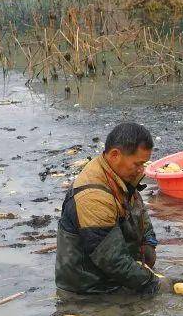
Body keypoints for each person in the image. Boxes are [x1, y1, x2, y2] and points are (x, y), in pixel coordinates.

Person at [55, 122, 160, 295]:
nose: (142, 170)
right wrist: (152, 283)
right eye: (137, 164)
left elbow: (140, 216)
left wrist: (149, 243)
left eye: (144, 164)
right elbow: (111, 259)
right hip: (89, 291)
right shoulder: (92, 196)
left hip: (118, 278)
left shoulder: (121, 175)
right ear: (114, 155)